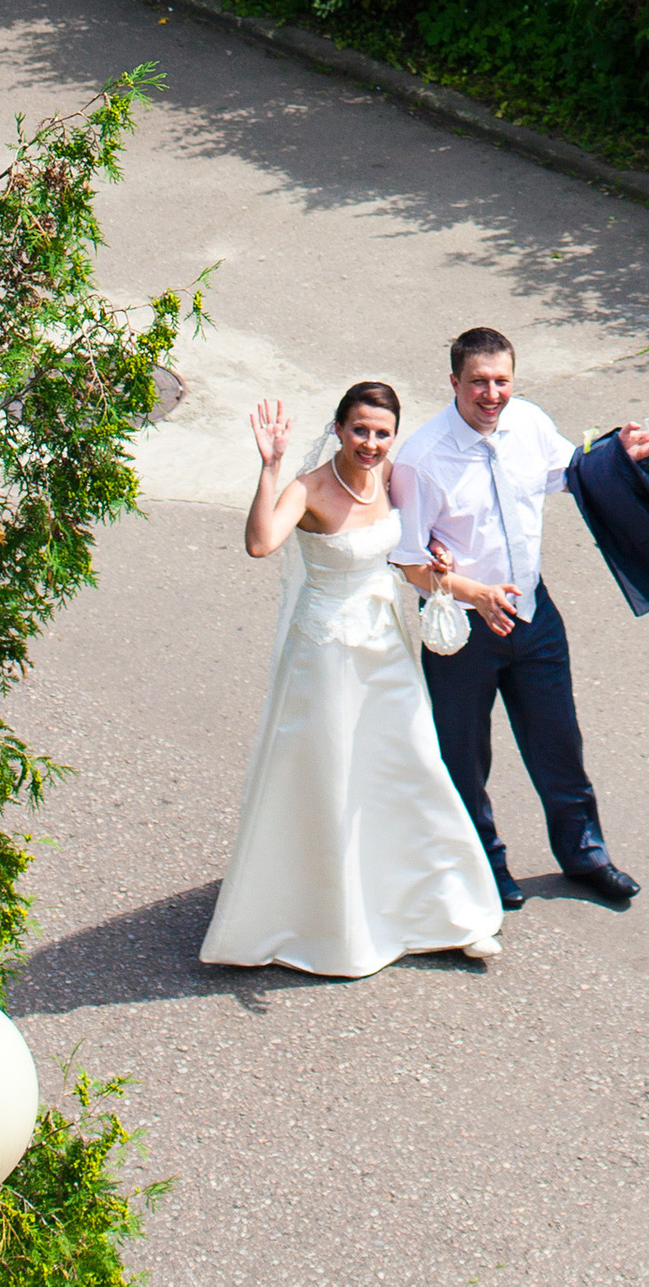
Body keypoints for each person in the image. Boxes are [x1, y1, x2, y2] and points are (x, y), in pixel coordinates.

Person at [200, 381, 506, 977]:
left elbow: (412, 557)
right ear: (339, 427)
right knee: (332, 782)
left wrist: (459, 577)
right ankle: (327, 924)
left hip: (386, 647)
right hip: (326, 656)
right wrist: (270, 467)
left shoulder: (394, 477)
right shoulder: (309, 489)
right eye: (360, 429)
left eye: (382, 432)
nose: (370, 443)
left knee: (412, 770)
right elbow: (261, 544)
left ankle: (449, 913)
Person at [394, 328, 649, 910]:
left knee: (558, 743)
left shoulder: (528, 423)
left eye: (501, 381)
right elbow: (409, 563)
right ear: (453, 384)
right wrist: (471, 591)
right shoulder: (421, 460)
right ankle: (482, 864)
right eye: (478, 382)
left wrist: (619, 454)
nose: (491, 394)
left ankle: (586, 856)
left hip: (533, 614)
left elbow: (571, 472)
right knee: (465, 755)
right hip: (465, 630)